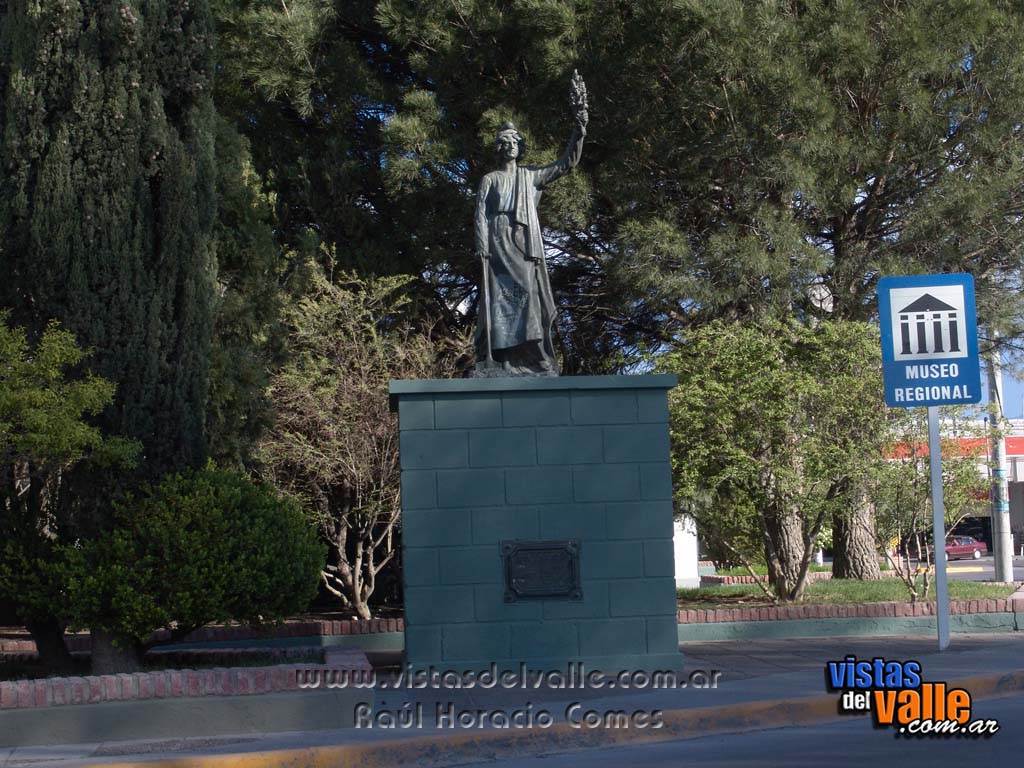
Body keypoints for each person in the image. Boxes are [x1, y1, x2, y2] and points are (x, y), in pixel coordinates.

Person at [472, 72, 588, 376]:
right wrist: (482, 248)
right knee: (500, 301)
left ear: (519, 147)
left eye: (513, 141)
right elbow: (481, 215)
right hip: (498, 243)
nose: (509, 145)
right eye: (504, 142)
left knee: (528, 295)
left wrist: (579, 131)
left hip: (524, 243)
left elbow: (566, 164)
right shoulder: (490, 179)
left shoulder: (531, 176)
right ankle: (502, 358)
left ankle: (535, 355)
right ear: (498, 147)